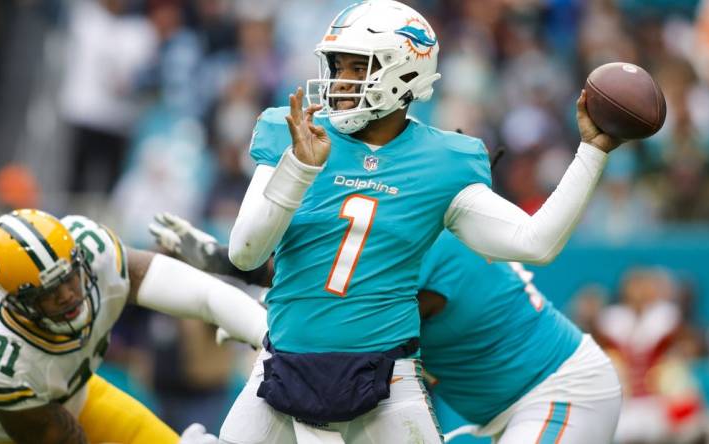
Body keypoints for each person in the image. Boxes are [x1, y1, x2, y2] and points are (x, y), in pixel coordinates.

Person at [223, 1, 622, 442]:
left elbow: (536, 242)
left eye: (360, 68)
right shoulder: (293, 130)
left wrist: (592, 151)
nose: (341, 82)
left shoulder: (442, 161)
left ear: (404, 74)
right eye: (338, 66)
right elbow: (245, 252)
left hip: (390, 379)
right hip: (283, 365)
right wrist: (298, 168)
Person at [150, 216, 623, 443]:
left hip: (559, 392)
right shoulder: (413, 235)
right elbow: (331, 284)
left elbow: (350, 322)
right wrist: (225, 263)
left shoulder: (432, 253)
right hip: (495, 411)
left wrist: (253, 315)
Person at [0, 209, 265, 444]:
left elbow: (203, 295)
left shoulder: (92, 250)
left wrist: (264, 333)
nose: (67, 294)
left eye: (68, 278)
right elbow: (63, 438)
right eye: (49, 293)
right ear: (18, 303)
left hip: (73, 392)